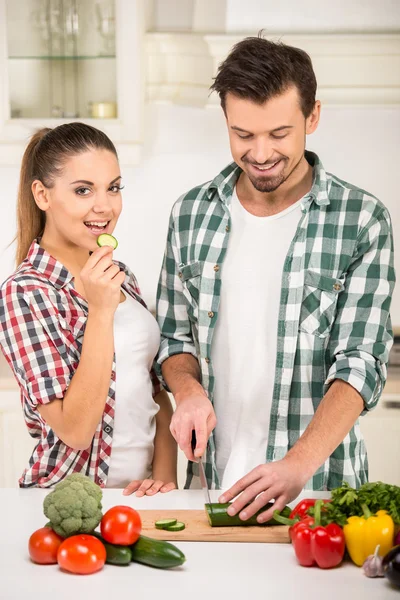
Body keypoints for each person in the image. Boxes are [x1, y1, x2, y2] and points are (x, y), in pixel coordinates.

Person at [156, 35, 395, 522]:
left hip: (320, 495)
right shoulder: (191, 214)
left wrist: (296, 465)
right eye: (243, 134)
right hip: (210, 492)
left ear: (312, 117)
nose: (261, 153)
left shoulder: (362, 220)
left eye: (279, 133)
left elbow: (360, 363)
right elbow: (175, 338)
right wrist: (188, 390)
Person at [0, 123, 177, 494]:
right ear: (42, 195)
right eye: (83, 190)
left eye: (113, 187)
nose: (105, 206)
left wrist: (164, 478)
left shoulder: (120, 275)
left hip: (141, 500)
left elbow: (154, 392)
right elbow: (75, 430)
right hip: (67, 500)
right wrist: (99, 311)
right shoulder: (25, 292)